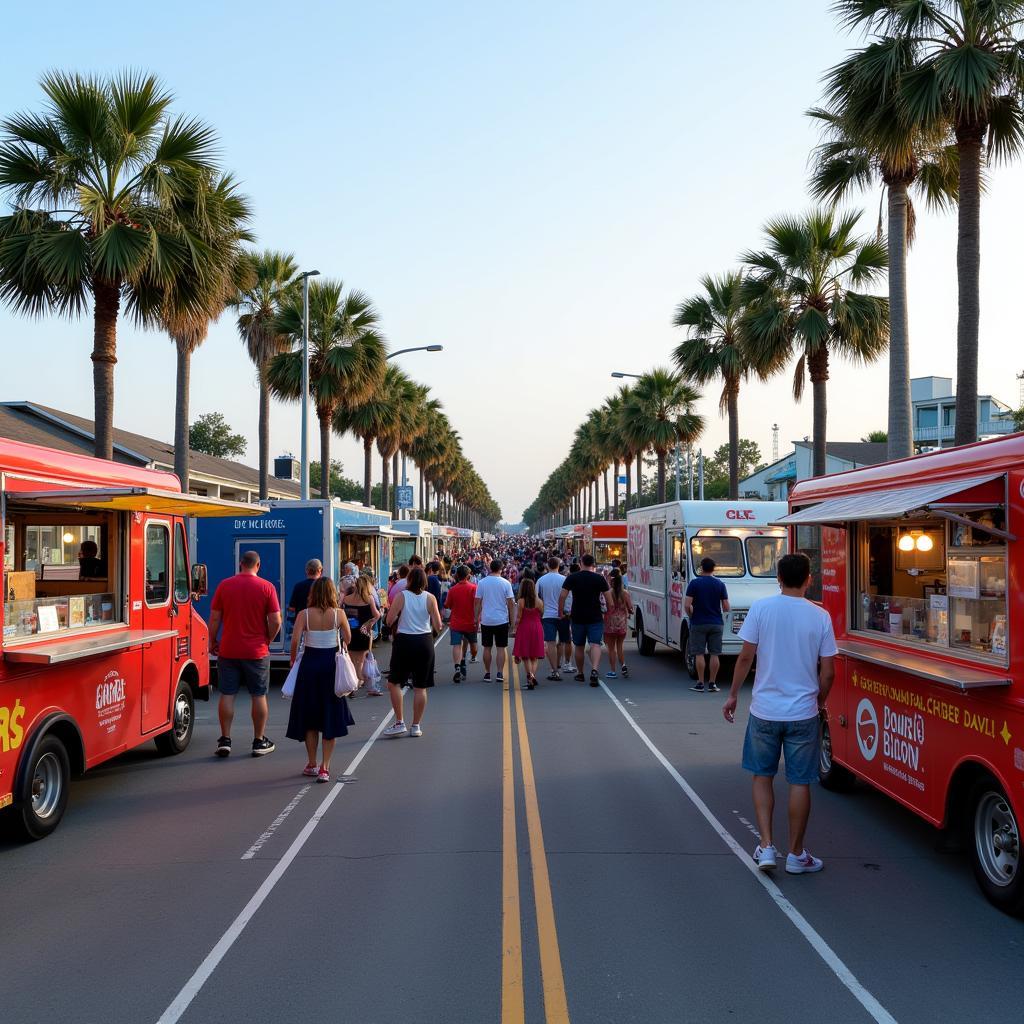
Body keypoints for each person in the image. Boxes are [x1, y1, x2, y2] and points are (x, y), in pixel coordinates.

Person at [723, 552, 837, 875]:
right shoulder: (820, 616)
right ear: (809, 579)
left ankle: (767, 846)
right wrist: (819, 701)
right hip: (803, 713)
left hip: (764, 711)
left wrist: (733, 694)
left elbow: (745, 658)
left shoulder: (761, 608)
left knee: (763, 776)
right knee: (800, 781)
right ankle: (797, 854)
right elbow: (828, 673)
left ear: (778, 578)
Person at [208, 550, 282, 758]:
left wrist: (213, 641)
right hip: (256, 650)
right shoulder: (267, 587)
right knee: (258, 695)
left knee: (227, 693)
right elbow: (276, 620)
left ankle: (225, 739)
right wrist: (267, 638)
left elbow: (214, 618)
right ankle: (259, 740)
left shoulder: (225, 585)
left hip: (229, 649)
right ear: (258, 565)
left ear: (241, 563)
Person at [286, 578, 353, 782]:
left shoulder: (303, 615)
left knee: (310, 717)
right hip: (331, 666)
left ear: (313, 592)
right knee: (329, 714)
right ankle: (325, 767)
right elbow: (348, 638)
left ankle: (312, 763)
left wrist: (291, 660)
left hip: (309, 666)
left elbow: (296, 639)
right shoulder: (338, 614)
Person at [382, 567, 443, 738]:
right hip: (424, 641)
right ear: (424, 581)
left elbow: (389, 620)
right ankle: (416, 725)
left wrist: (396, 616)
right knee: (420, 687)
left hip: (405, 641)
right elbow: (438, 625)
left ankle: (399, 721)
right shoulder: (430, 598)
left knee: (394, 682)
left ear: (409, 581)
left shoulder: (402, 596)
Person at [558, 553, 609, 686]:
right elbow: (609, 599)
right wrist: (608, 612)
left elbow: (562, 596)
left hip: (578, 616)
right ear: (593, 564)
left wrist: (561, 612)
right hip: (595, 616)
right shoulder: (599, 578)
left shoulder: (572, 577)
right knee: (595, 644)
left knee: (579, 646)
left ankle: (580, 673)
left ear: (581, 563)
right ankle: (594, 669)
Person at [685, 557, 731, 693]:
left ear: (701, 568)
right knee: (714, 654)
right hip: (716, 623)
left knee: (699, 654)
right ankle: (712, 683)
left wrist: (691, 614)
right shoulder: (720, 584)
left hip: (698, 622)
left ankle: (700, 683)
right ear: (713, 568)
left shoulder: (694, 584)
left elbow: (687, 605)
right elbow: (726, 606)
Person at [474, 559, 516, 683]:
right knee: (501, 648)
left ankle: (487, 673)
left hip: (487, 620)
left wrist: (476, 618)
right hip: (501, 620)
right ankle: (499, 672)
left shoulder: (482, 583)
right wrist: (512, 623)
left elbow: (477, 602)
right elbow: (511, 604)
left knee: (487, 647)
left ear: (490, 568)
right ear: (501, 569)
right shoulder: (505, 583)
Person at [343, 574, 382, 695]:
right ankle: (356, 684)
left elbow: (340, 611)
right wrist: (369, 623)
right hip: (363, 633)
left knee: (351, 660)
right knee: (360, 661)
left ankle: (354, 683)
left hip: (349, 632)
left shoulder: (346, 599)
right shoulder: (369, 598)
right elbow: (377, 615)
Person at [537, 556, 571, 681]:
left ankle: (554, 670)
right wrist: (567, 611)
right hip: (562, 614)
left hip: (547, 615)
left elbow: (537, 598)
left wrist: (540, 611)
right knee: (561, 642)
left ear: (547, 566)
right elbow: (569, 597)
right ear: (558, 566)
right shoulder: (564, 579)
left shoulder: (541, 580)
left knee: (550, 642)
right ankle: (558, 664)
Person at [444, 564, 478, 682]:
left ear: (457, 576)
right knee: (473, 646)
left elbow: (447, 605)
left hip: (456, 622)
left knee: (456, 645)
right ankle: (469, 658)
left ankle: (457, 667)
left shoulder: (453, 590)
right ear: (468, 576)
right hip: (470, 622)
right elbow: (478, 604)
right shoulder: (474, 588)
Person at [513, 577, 545, 689]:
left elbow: (518, 618)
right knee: (534, 656)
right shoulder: (539, 601)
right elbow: (541, 615)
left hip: (524, 627)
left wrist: (514, 629)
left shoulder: (521, 601)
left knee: (525, 655)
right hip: (537, 627)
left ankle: (529, 677)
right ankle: (532, 676)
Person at [603, 569, 634, 679]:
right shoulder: (625, 593)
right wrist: (628, 611)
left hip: (610, 623)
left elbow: (604, 606)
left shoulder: (608, 593)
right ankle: (623, 665)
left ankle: (612, 671)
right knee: (620, 646)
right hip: (621, 624)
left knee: (611, 649)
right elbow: (631, 608)